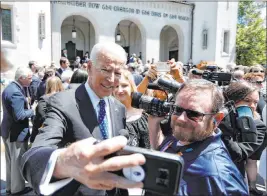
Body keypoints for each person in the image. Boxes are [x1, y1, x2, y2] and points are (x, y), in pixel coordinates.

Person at [20, 42, 146, 196]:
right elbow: (33, 157)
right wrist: (63, 163)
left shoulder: (118, 108)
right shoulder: (63, 103)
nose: (112, 79)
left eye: (118, 73)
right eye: (106, 70)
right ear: (89, 67)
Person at [147, 79, 249, 195]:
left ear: (217, 118)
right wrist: (153, 124)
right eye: (177, 109)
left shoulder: (218, 177)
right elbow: (164, 149)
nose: (181, 118)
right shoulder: (183, 135)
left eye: (194, 114)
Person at [220, 81, 266, 181]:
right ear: (231, 100)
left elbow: (238, 154)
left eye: (255, 102)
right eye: (247, 100)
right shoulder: (215, 116)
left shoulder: (258, 126)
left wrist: (224, 128)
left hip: (231, 177)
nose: (252, 106)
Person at [1, 67, 34, 195]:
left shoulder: (10, 88)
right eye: (29, 78)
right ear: (21, 78)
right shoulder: (15, 92)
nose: (31, 80)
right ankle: (17, 189)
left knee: (10, 162)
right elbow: (19, 115)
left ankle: (10, 188)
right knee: (17, 161)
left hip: (8, 131)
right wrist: (32, 110)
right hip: (15, 133)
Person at [113, 69, 150, 148]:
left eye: (124, 85)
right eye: (116, 86)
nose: (119, 90)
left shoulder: (145, 112)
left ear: (132, 87)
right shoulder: (108, 114)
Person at [31, 76, 64, 143]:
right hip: (62, 132)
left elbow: (40, 116)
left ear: (48, 85)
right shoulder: (65, 97)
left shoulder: (44, 99)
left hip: (46, 134)